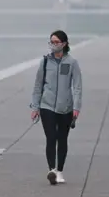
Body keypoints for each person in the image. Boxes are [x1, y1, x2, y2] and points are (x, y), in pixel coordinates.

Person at [30, 30, 82, 185]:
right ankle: (52, 170)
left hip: (66, 107)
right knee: (51, 138)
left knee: (62, 139)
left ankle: (60, 170)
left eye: (56, 42)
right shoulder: (45, 62)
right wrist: (35, 107)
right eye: (51, 42)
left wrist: (76, 107)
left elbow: (77, 87)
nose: (53, 45)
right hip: (47, 106)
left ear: (64, 44)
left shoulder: (72, 63)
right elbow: (38, 85)